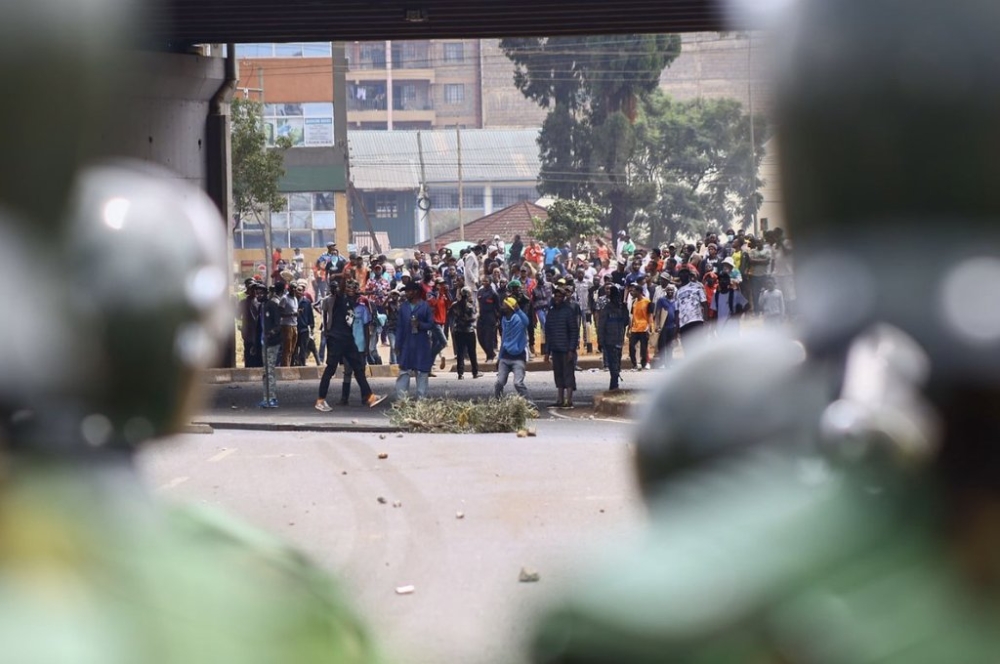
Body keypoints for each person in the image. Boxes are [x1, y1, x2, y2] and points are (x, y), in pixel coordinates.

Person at [315, 275, 386, 412]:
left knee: (358, 369)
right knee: (330, 369)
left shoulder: (356, 304)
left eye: (355, 289)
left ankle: (370, 397)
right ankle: (320, 400)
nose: (354, 292)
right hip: (336, 339)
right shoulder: (340, 299)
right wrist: (346, 275)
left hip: (348, 340)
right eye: (351, 289)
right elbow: (342, 290)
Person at [395, 281, 436, 400]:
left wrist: (420, 325)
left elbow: (431, 324)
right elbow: (400, 327)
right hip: (406, 344)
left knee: (422, 372)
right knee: (404, 371)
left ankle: (421, 400)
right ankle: (402, 400)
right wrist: (397, 344)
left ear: (416, 292)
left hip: (421, 344)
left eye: (408, 291)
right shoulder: (403, 307)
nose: (406, 294)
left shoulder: (425, 307)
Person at [543, 286, 579, 408]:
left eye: (560, 296)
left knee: (568, 374)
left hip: (566, 349)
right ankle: (559, 399)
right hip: (555, 348)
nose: (557, 298)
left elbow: (574, 331)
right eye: (556, 296)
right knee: (558, 374)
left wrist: (571, 349)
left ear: (564, 298)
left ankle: (569, 400)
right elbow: (548, 333)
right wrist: (547, 352)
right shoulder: (551, 312)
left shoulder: (568, 311)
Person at [494, 297, 530, 400]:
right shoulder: (504, 320)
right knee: (499, 383)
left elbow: (526, 322)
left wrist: (518, 310)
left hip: (518, 357)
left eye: (504, 306)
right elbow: (504, 339)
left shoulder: (519, 320)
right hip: (505, 357)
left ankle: (531, 405)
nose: (502, 308)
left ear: (510, 308)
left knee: (518, 383)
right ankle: (498, 404)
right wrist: (499, 357)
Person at [449, 287, 481, 379]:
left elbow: (450, 314)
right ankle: (475, 372)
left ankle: (460, 373)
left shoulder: (454, 305)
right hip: (468, 331)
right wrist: (477, 315)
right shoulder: (469, 306)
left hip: (458, 330)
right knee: (472, 352)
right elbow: (471, 318)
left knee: (460, 352)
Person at [260, 282, 283, 408]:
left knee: (269, 371)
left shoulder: (272, 305)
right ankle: (266, 397)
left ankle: (272, 398)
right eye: (257, 293)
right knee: (265, 372)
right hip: (264, 343)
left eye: (261, 293)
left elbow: (278, 325)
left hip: (272, 343)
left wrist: (270, 334)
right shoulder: (262, 306)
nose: (259, 295)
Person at [709, 271, 747, 336]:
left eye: (724, 279)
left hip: (733, 328)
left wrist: (738, 314)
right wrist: (712, 329)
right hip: (721, 329)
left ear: (728, 281)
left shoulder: (735, 294)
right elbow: (714, 313)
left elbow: (747, 305)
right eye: (720, 280)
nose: (722, 281)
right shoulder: (716, 296)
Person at [627, 282, 653, 370]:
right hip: (635, 328)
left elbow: (650, 315)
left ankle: (643, 363)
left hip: (644, 328)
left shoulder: (647, 301)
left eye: (634, 291)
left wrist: (649, 327)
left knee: (643, 348)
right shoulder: (634, 302)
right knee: (631, 347)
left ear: (639, 292)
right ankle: (634, 363)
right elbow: (632, 316)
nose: (632, 293)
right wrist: (629, 328)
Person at [652, 281, 677, 369]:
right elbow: (658, 313)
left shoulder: (676, 301)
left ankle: (669, 363)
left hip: (672, 326)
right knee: (662, 346)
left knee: (670, 346)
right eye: (669, 290)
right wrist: (657, 325)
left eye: (672, 290)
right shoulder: (661, 300)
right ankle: (662, 363)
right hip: (663, 326)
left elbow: (677, 314)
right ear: (666, 291)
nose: (670, 292)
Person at [477, 275, 501, 361]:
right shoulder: (480, 292)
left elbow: (498, 308)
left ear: (490, 282)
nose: (484, 283)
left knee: (489, 338)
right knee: (480, 337)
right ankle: (490, 353)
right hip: (481, 317)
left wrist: (497, 319)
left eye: (486, 281)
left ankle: (490, 356)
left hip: (490, 317)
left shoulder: (494, 294)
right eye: (483, 281)